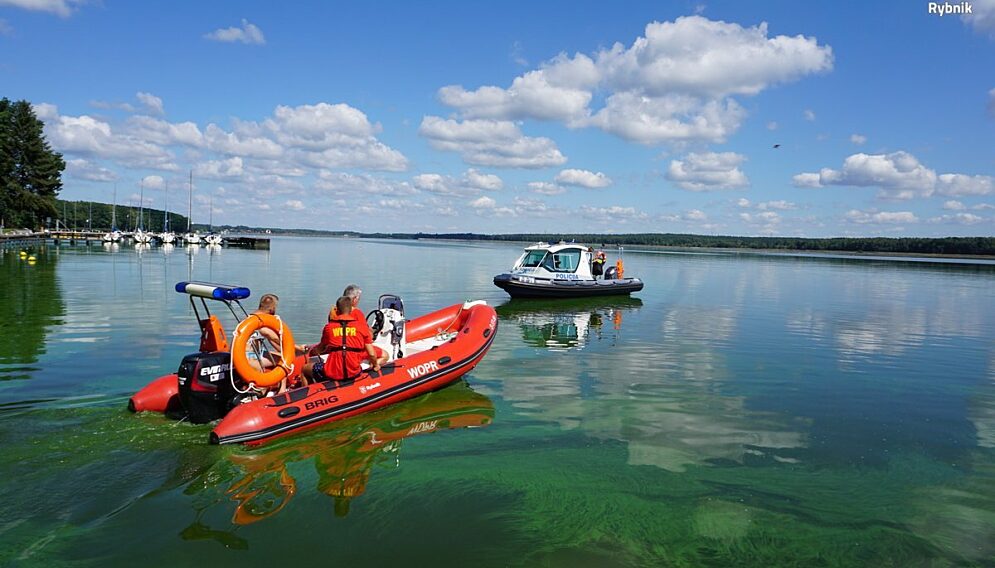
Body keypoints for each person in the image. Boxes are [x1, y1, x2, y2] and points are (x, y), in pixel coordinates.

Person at [304, 296, 384, 384]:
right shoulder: (361, 327)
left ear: (337, 310)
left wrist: (314, 351)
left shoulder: (329, 328)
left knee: (304, 369)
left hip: (332, 372)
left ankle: (312, 392)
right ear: (351, 310)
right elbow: (372, 354)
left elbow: (320, 349)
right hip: (354, 371)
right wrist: (376, 365)